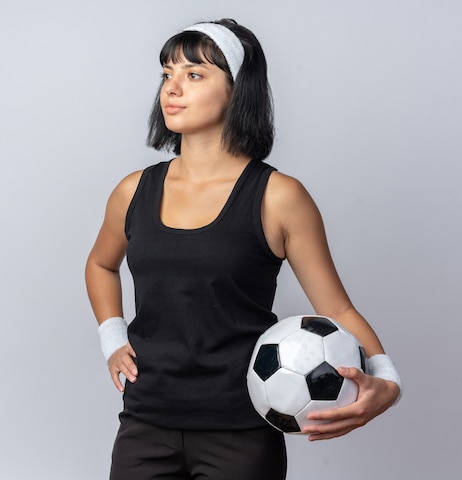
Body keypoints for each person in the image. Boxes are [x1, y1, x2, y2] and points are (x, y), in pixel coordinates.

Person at [85, 18, 402, 480]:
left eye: (194, 74)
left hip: (241, 431)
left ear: (237, 90)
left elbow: (337, 308)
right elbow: (99, 264)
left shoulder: (279, 197)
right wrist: (112, 339)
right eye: (166, 74)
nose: (172, 88)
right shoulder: (133, 191)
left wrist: (389, 381)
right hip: (146, 420)